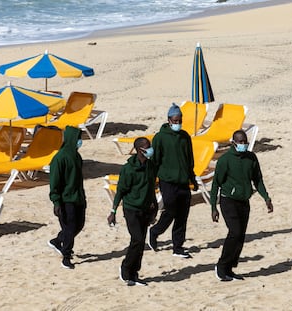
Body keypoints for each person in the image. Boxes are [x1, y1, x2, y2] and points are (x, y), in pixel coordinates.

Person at [210, 130, 273, 281]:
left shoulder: (251, 158)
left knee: (241, 236)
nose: (243, 145)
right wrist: (213, 207)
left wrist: (266, 198)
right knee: (235, 232)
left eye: (245, 142)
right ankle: (221, 265)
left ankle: (230, 268)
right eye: (240, 142)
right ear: (233, 143)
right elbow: (216, 184)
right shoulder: (225, 160)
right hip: (228, 200)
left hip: (244, 201)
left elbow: (257, 179)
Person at [148, 103, 198, 258]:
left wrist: (193, 179)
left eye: (179, 120)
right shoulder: (160, 138)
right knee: (170, 210)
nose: (177, 123)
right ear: (169, 120)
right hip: (167, 181)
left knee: (183, 215)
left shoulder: (185, 137)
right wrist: (152, 181)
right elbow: (155, 161)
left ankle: (178, 247)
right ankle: (155, 231)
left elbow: (189, 159)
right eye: (175, 121)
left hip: (183, 181)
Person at [107, 137, 158, 286]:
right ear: (139, 150)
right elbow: (120, 191)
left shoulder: (151, 166)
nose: (150, 149)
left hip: (146, 209)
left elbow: (151, 189)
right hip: (131, 209)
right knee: (137, 239)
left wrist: (154, 207)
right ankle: (125, 268)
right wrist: (113, 211)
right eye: (147, 147)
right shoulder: (128, 169)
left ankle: (134, 273)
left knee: (141, 243)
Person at [48, 126, 86, 270]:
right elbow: (55, 182)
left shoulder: (77, 156)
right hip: (66, 200)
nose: (80, 142)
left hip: (79, 198)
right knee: (69, 228)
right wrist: (56, 202)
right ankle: (66, 256)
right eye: (78, 139)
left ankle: (58, 241)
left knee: (79, 224)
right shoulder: (60, 158)